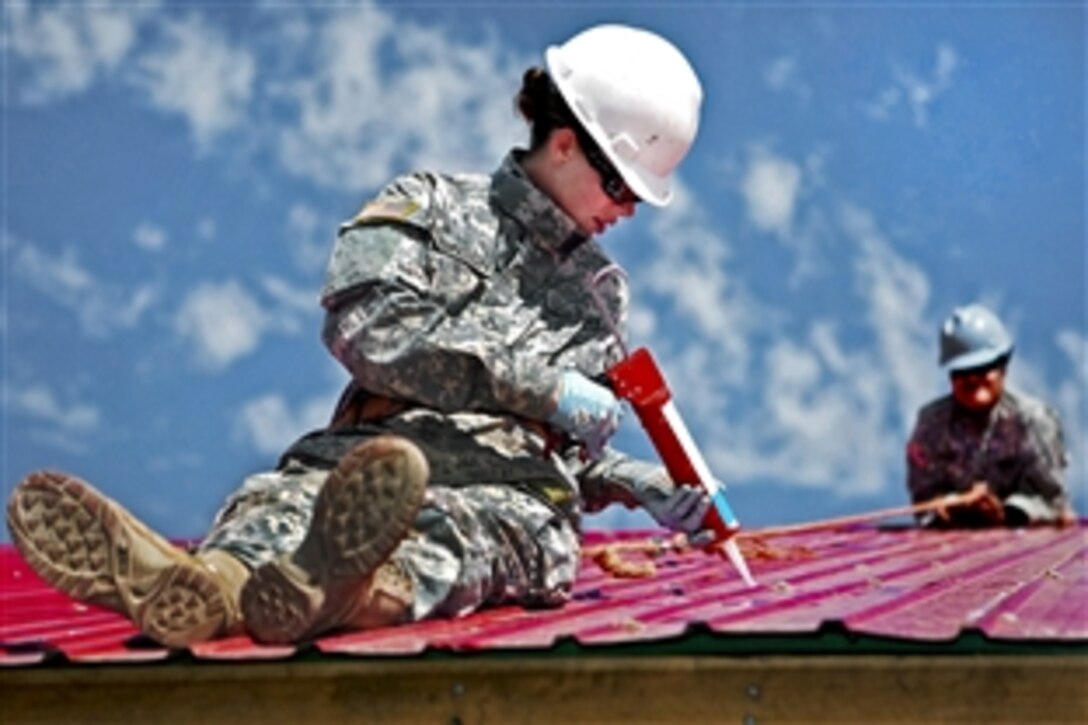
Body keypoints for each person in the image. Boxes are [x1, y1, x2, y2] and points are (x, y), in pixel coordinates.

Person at [7, 24, 716, 647]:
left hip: (508, 491)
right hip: (369, 462)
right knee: (278, 507)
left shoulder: (599, 300)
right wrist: (535, 384)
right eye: (621, 187)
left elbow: (560, 443)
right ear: (565, 144)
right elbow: (367, 328)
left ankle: (336, 590)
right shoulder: (430, 207)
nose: (628, 211)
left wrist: (639, 482)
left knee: (478, 537)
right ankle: (204, 590)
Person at [906, 303, 1073, 528]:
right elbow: (923, 501)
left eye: (984, 367)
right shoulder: (931, 424)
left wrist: (1007, 512)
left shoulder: (1034, 421)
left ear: (1003, 367)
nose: (973, 379)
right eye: (963, 372)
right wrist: (950, 506)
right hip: (950, 547)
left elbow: (1052, 499)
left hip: (1028, 546)